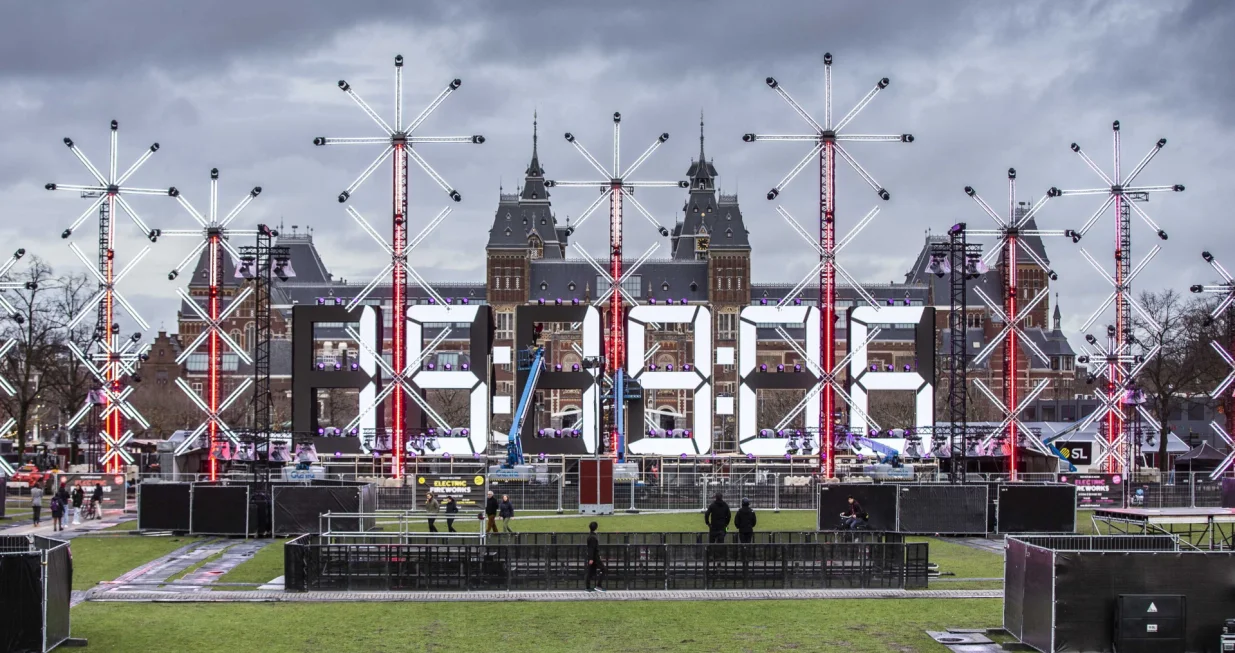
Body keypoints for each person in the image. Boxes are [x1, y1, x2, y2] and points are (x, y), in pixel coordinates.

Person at [585, 521, 606, 592]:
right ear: (596, 528)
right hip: (595, 557)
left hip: (593, 557)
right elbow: (592, 548)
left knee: (591, 572)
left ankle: (588, 587)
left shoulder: (590, 536)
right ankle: (598, 586)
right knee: (603, 569)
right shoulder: (593, 537)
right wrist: (591, 558)